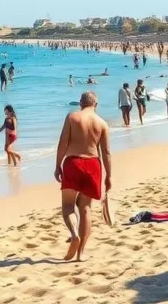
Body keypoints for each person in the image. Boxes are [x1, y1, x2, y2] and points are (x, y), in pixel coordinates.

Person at [54, 92, 111, 262]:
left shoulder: (72, 117)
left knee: (68, 207)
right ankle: (81, 253)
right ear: (96, 104)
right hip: (93, 165)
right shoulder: (102, 123)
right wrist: (109, 176)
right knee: (85, 208)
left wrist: (57, 165)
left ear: (80, 103)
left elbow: (62, 143)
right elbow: (106, 153)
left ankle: (73, 235)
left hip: (73, 163)